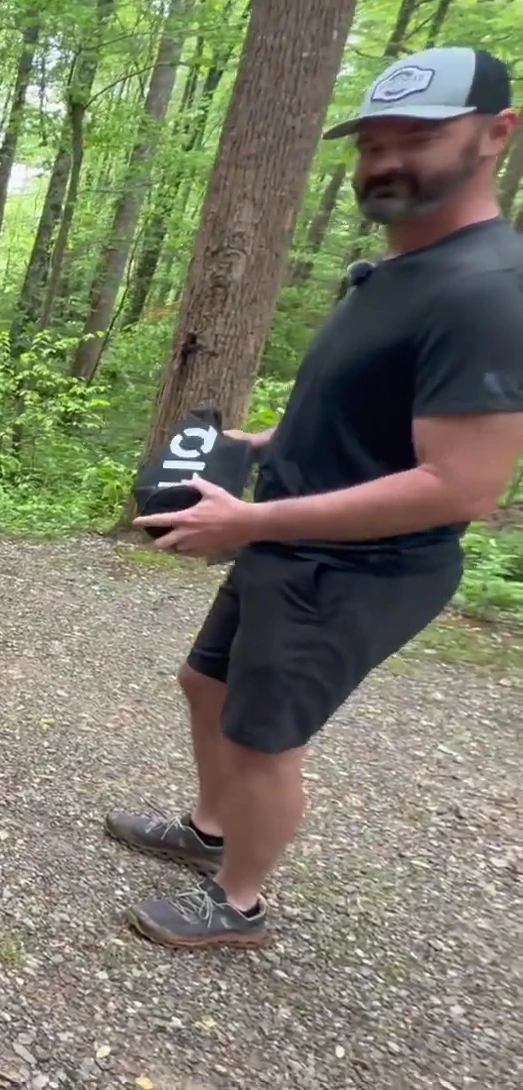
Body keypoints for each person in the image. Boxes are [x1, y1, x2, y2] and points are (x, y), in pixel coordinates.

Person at [118, 46, 523, 949]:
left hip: (357, 570)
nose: (386, 161)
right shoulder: (398, 272)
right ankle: (209, 831)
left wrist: (248, 519)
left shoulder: (486, 291)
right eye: (372, 144)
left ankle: (240, 903)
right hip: (291, 544)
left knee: (263, 737)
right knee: (207, 685)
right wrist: (270, 444)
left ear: (497, 134)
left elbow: (461, 484)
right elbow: (382, 414)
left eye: (416, 138)